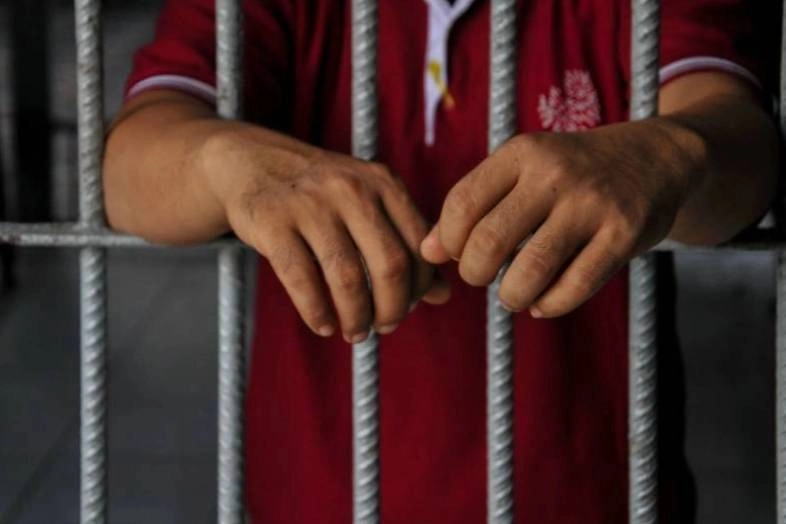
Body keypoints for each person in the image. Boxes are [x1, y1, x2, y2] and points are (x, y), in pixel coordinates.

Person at [103, 0, 778, 521]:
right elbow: (128, 171)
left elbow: (741, 142)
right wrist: (226, 163)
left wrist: (669, 153)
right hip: (320, 494)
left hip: (588, 496)